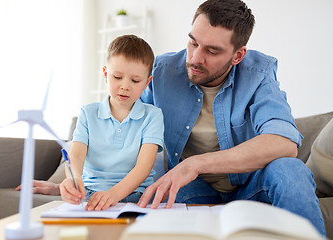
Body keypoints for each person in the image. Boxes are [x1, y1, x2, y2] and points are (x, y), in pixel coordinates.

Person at [136, 0, 326, 236]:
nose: (195, 58)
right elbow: (126, 128)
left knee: (291, 171)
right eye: (193, 42)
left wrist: (195, 163)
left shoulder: (259, 73)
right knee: (168, 192)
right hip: (192, 188)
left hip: (250, 184)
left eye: (212, 51)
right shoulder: (162, 71)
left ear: (238, 55)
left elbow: (283, 143)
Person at [59, 34, 164, 211]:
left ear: (147, 83)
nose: (125, 86)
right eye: (117, 77)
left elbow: (144, 166)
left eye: (135, 80)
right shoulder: (88, 113)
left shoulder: (153, 116)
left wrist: (114, 194)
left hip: (137, 194)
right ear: (106, 74)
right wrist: (74, 178)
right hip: (91, 192)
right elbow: (76, 156)